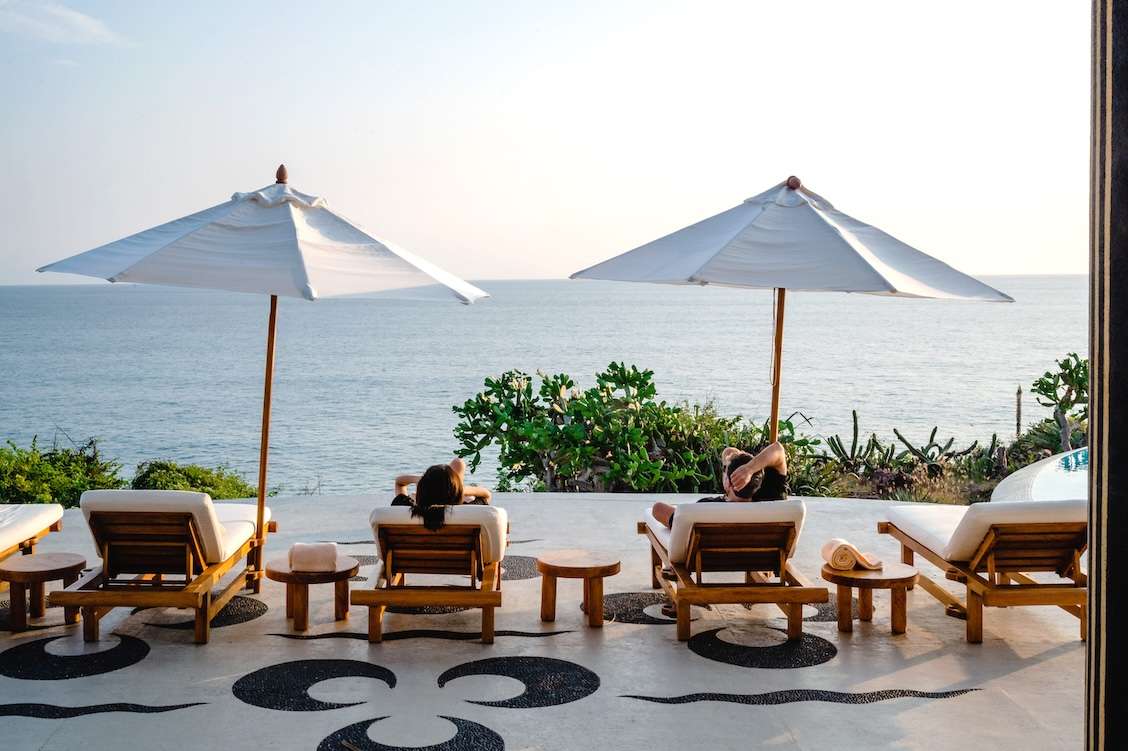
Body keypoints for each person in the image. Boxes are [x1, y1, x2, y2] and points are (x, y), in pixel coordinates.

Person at [651, 442, 789, 529]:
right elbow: (778, 449)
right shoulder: (771, 499)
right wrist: (750, 469)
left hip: (711, 560)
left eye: (724, 470)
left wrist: (743, 466)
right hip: (764, 557)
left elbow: (658, 510)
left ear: (728, 483)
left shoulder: (703, 509)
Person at [390, 458, 491, 531]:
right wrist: (458, 488)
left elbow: (399, 482)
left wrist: (423, 481)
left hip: (413, 559)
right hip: (459, 559)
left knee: (458, 463)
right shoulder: (466, 512)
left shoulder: (406, 510)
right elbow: (486, 495)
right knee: (458, 464)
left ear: (422, 488)